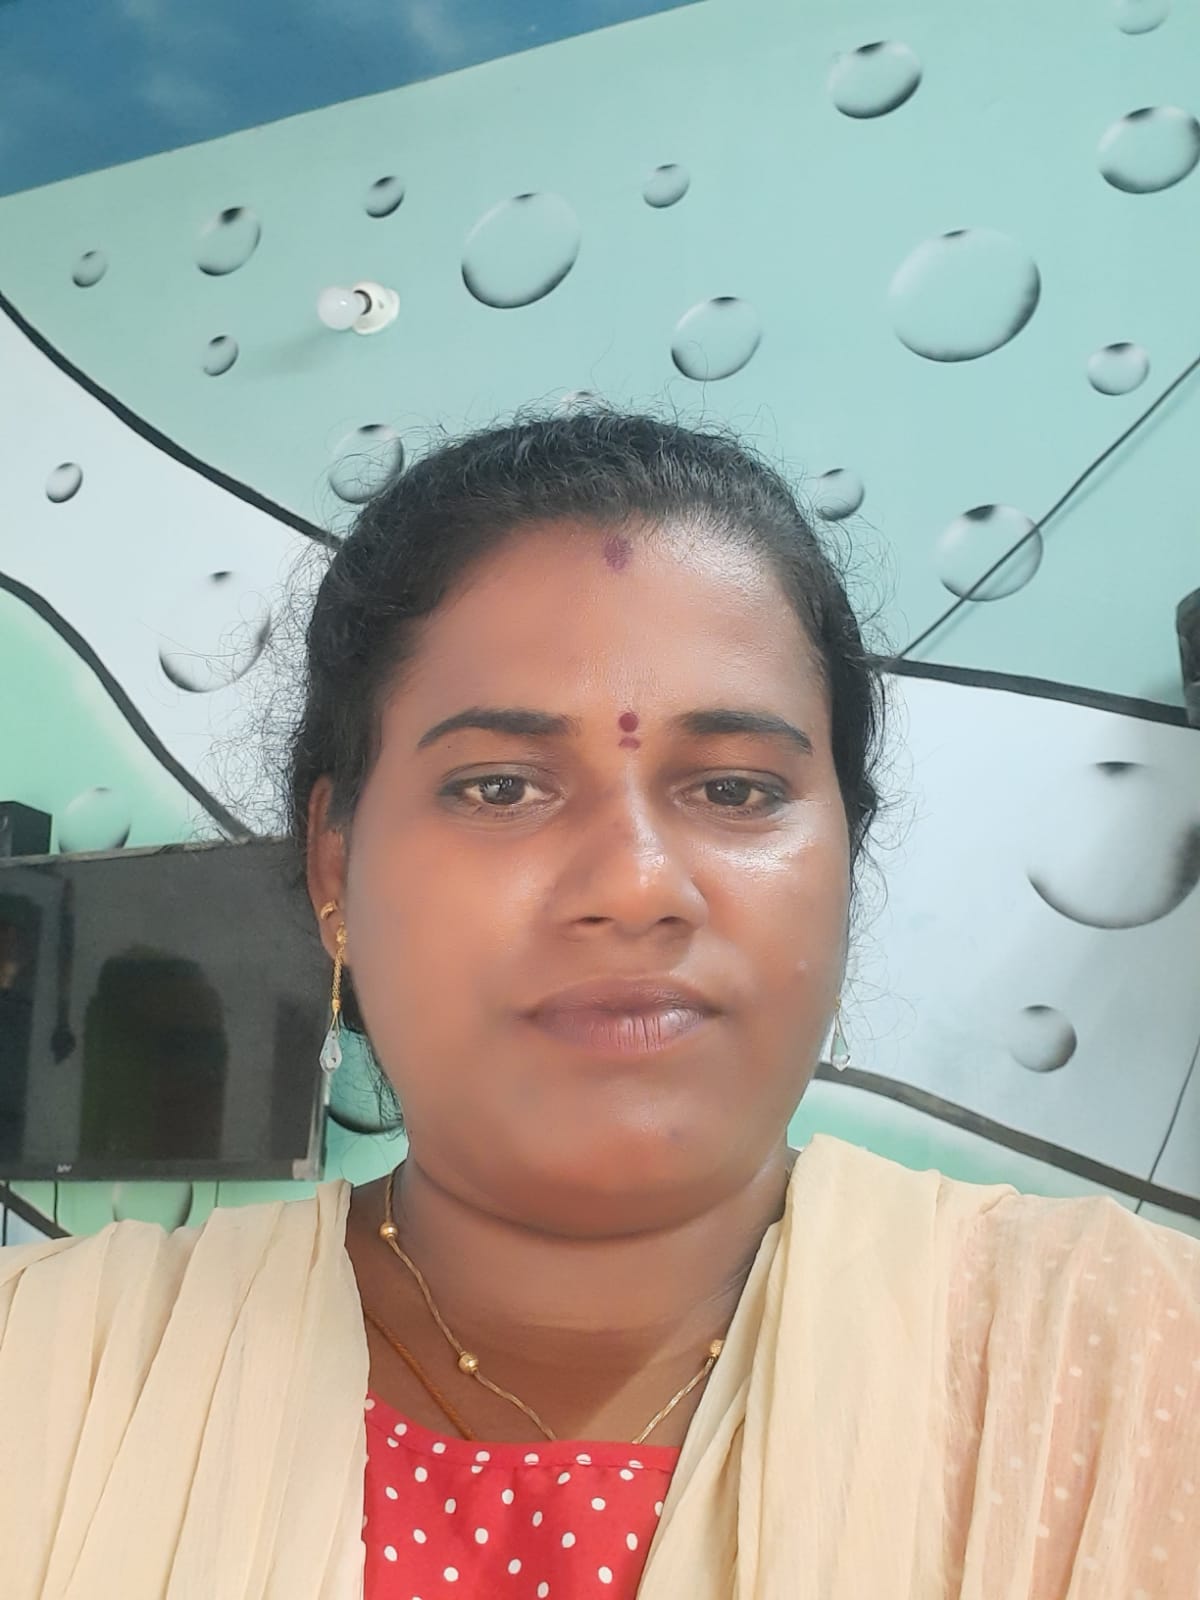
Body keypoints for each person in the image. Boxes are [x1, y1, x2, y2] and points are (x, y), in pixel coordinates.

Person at [1, 410, 1196, 1600]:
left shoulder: (1134, 1362)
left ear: (845, 859)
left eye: (735, 788)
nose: (634, 884)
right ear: (333, 864)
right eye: (500, 787)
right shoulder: (44, 1377)